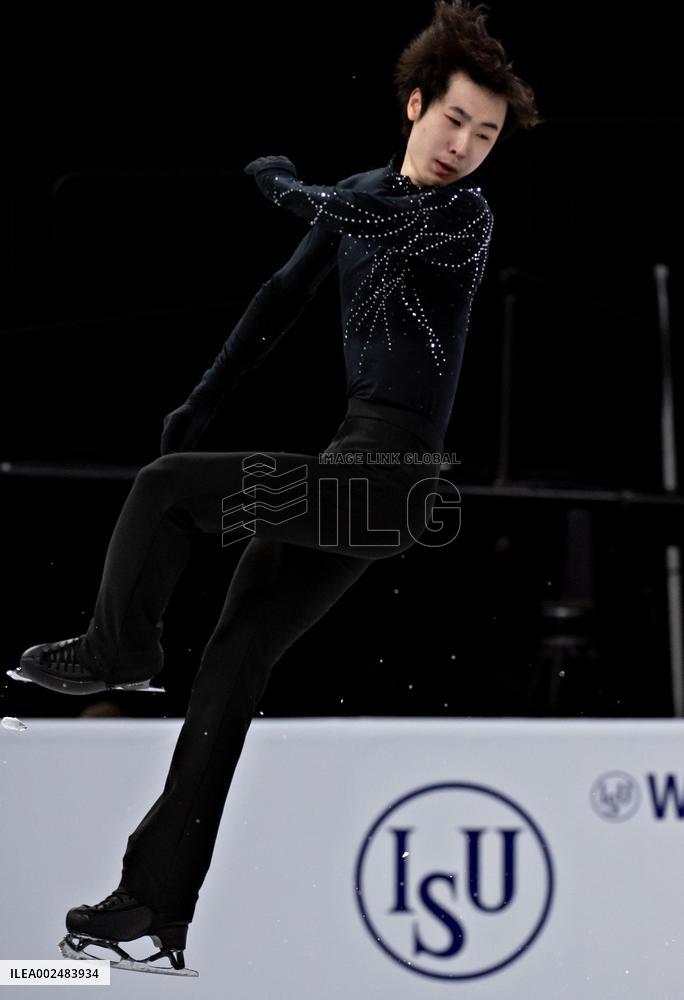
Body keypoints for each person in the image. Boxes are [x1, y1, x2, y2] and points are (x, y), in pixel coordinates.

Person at [13, 0, 541, 975]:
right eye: (456, 118)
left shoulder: (460, 215)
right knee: (233, 661)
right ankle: (155, 901)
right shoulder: (361, 194)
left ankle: (118, 645)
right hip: (353, 471)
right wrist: (201, 400)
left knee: (168, 492)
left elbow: (353, 213)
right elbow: (276, 302)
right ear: (416, 102)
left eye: (488, 132)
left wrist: (287, 185)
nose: (467, 144)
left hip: (397, 480)